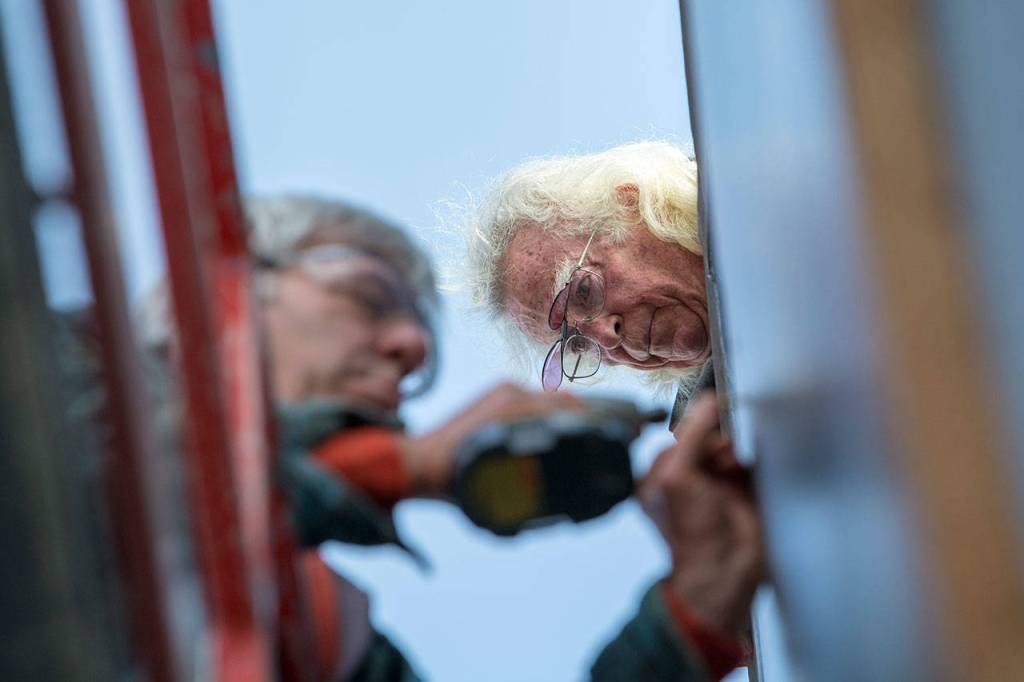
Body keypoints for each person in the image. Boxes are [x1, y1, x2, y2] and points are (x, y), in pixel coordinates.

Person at [143, 194, 763, 680]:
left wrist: (693, 619)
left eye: (422, 363)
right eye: (368, 295)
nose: (411, 349)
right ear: (215, 295)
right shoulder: (62, 373)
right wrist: (392, 466)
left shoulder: (323, 631)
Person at [463, 141, 708, 398]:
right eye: (578, 345)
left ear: (631, 204)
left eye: (584, 291)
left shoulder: (743, 174)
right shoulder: (723, 424)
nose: (606, 339)